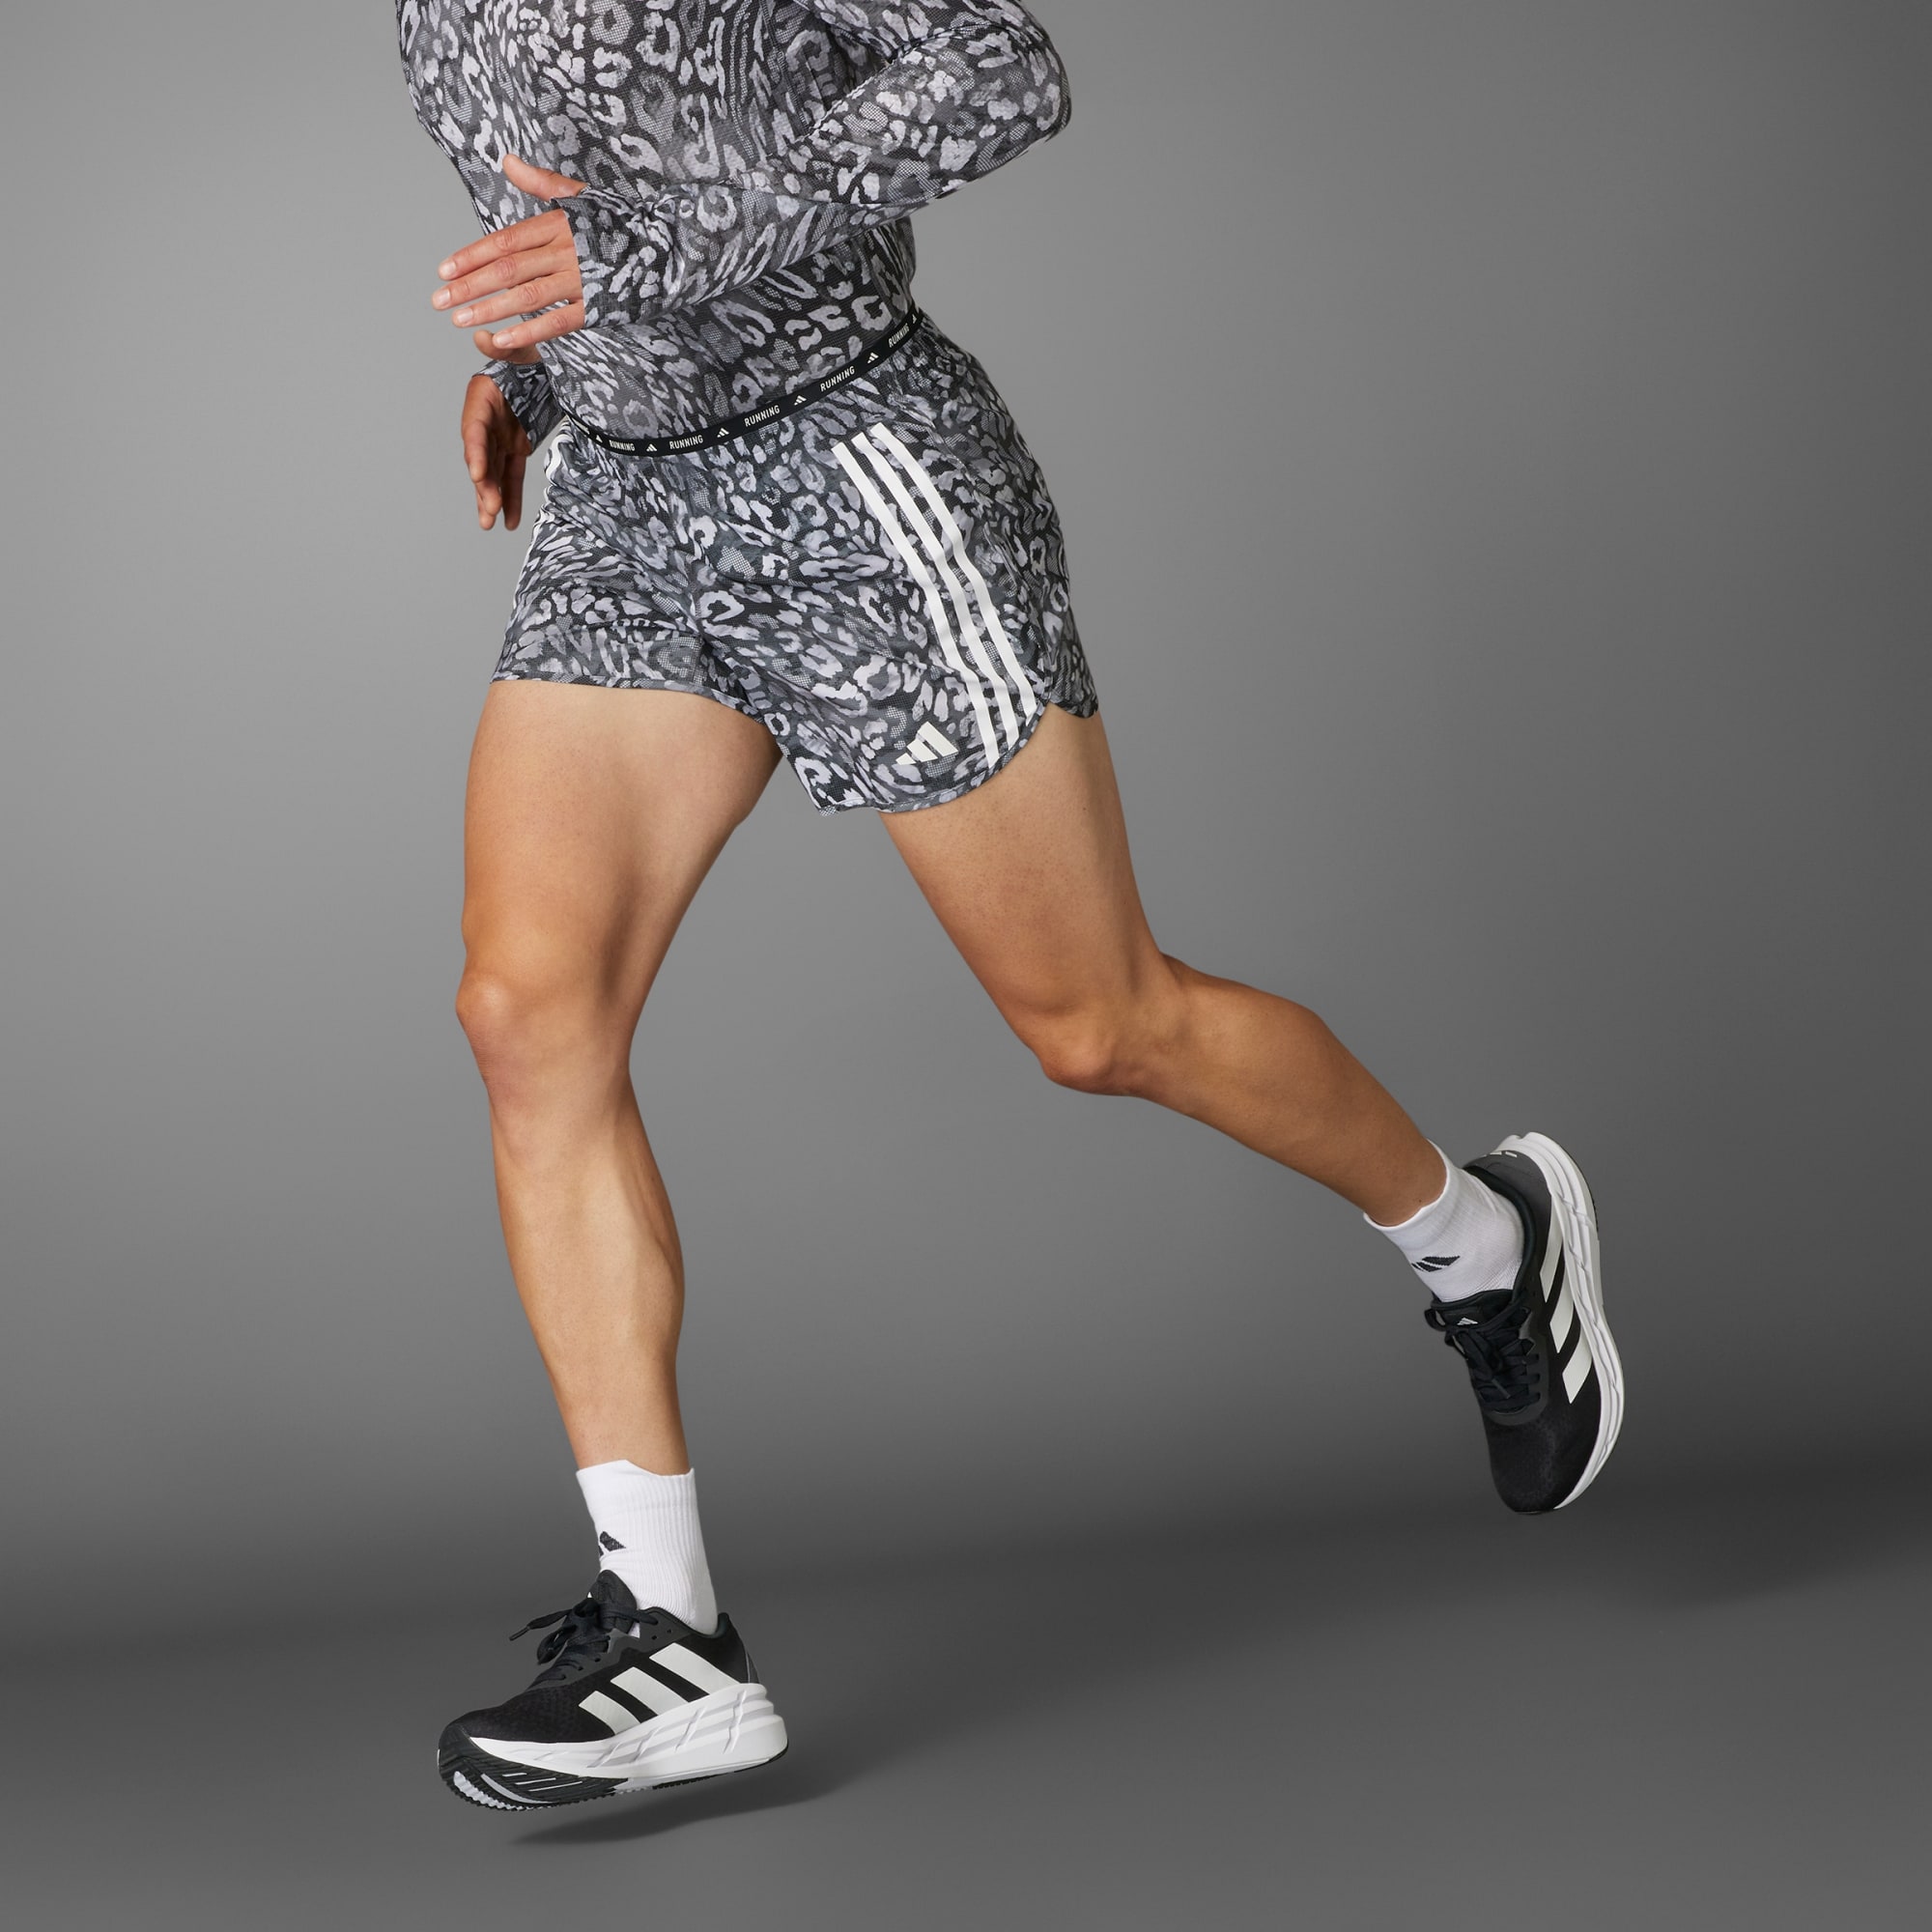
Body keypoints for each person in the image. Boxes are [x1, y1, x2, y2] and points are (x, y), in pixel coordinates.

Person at [395, 0, 1624, 1814]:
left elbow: (997, 71)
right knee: (527, 1017)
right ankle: (670, 1635)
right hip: (637, 505)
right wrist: (553, 371)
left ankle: (1486, 1240)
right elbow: (589, 189)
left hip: (859, 474)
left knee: (1099, 1024)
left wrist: (644, 253)